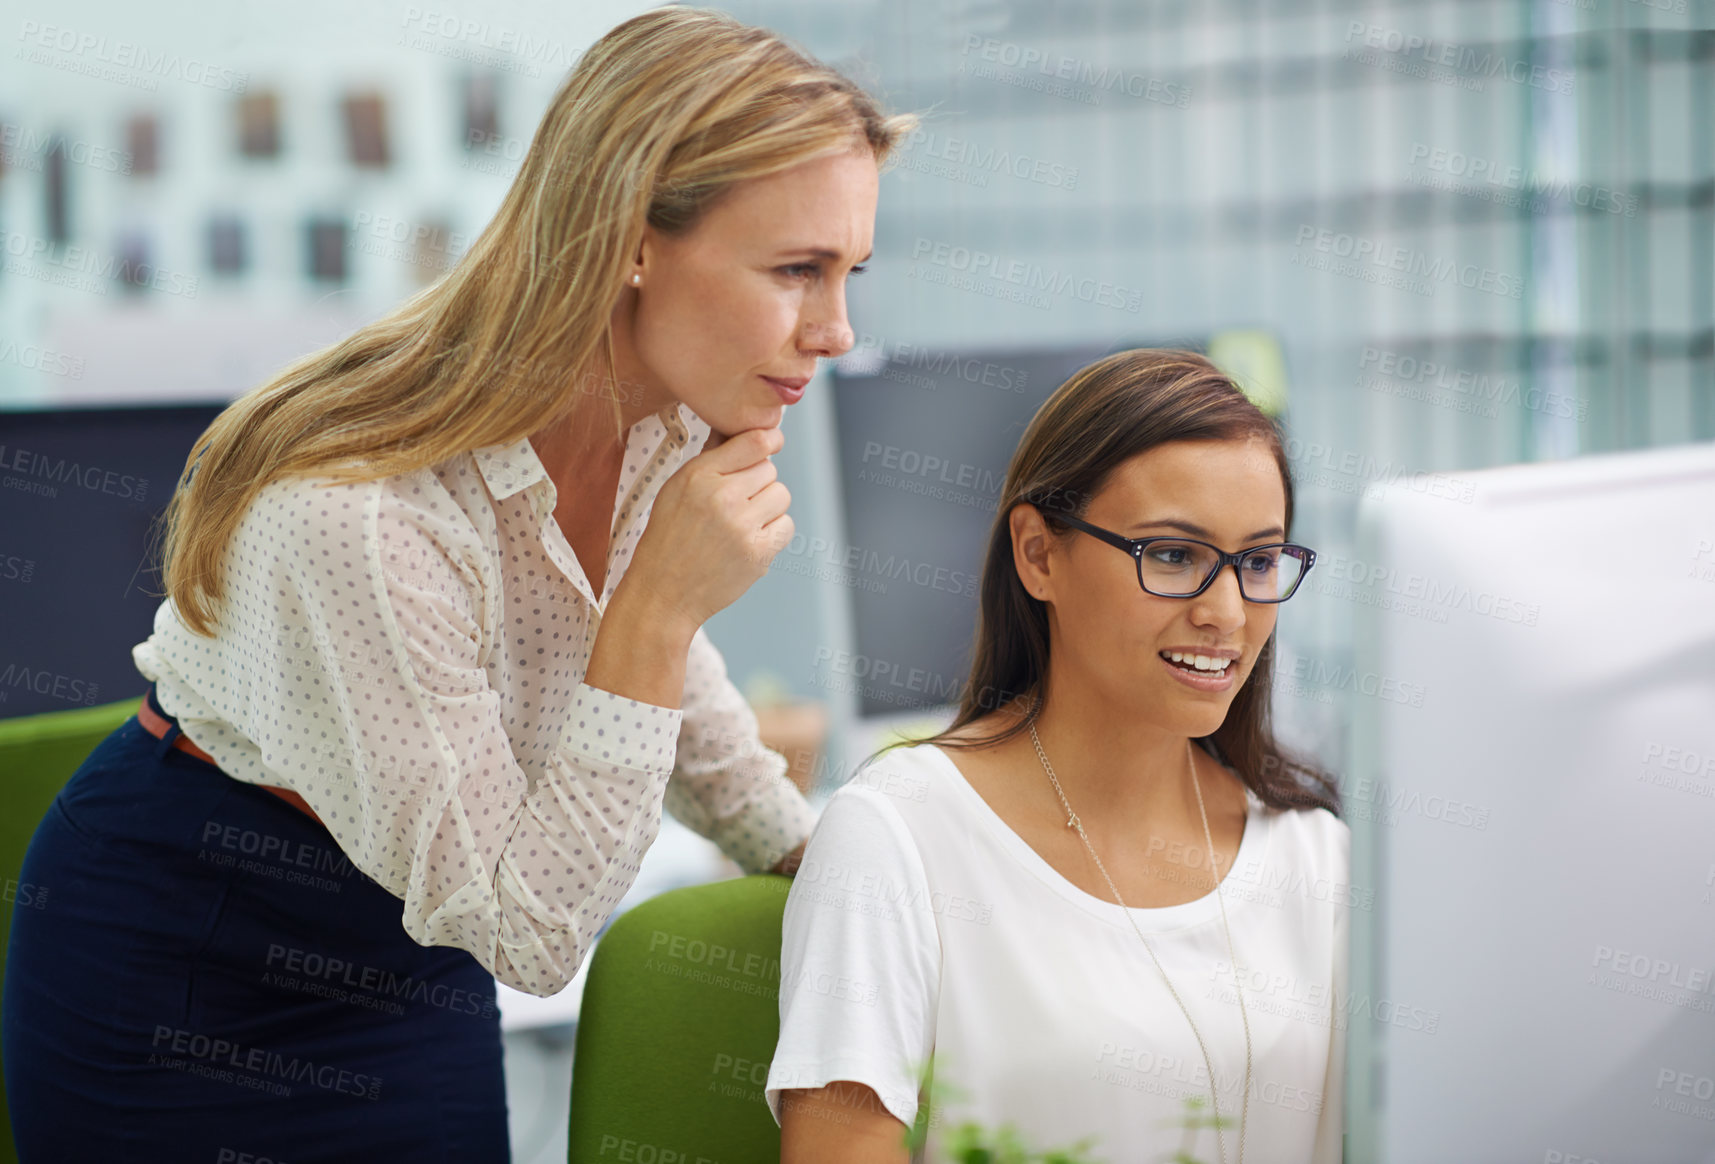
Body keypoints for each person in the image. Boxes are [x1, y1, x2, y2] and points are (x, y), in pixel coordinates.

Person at [1, 8, 916, 1160]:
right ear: (633, 238)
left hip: (412, 937)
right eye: (796, 271)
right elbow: (533, 937)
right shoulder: (359, 514)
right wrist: (659, 608)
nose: (834, 331)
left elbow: (662, 687)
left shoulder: (672, 419)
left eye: (848, 274)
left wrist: (813, 853)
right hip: (196, 943)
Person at [767, 350, 1349, 1164]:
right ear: (1038, 556)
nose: (1227, 613)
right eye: (1173, 555)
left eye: (1256, 562)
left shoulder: (1314, 855)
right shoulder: (897, 838)